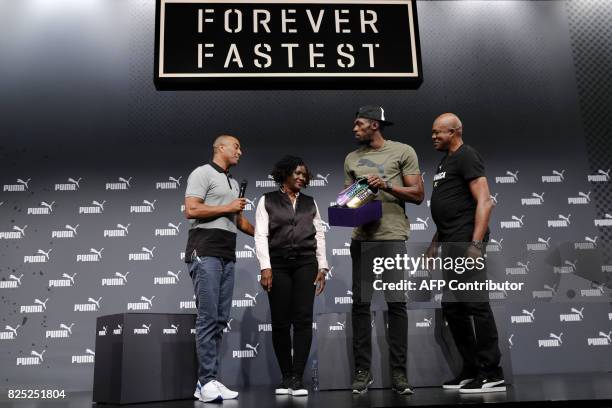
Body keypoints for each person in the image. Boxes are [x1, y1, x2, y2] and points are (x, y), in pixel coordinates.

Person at [344, 105, 424, 394]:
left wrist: (386, 185)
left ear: (375, 125)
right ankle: (363, 372)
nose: (354, 129)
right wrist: (355, 198)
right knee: (361, 306)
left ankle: (399, 374)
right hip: (361, 239)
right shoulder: (351, 158)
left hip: (391, 237)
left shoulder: (403, 151)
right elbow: (349, 203)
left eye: (359, 124)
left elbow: (417, 194)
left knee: (396, 304)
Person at [427, 113, 505, 393]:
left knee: (475, 304)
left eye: (439, 132)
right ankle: (472, 369)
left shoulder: (467, 155)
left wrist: (476, 243)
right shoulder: (445, 161)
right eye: (433, 132)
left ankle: (492, 371)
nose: (433, 136)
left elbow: (484, 201)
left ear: (455, 131)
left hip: (465, 241)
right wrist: (435, 243)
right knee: (453, 307)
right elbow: (449, 206)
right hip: (449, 241)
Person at [183, 134, 255, 402]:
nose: (240, 151)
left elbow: (238, 221)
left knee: (220, 319)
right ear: (221, 148)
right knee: (207, 317)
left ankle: (208, 380)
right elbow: (191, 210)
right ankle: (205, 382)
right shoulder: (202, 173)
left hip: (227, 254)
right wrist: (228, 206)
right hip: (205, 251)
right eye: (236, 146)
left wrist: (265, 236)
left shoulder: (233, 182)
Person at [254, 155, 328, 397]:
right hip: (278, 265)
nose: (300, 177)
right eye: (296, 173)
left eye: (303, 174)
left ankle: (297, 377)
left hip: (306, 264)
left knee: (304, 320)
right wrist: (265, 267)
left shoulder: (311, 202)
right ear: (284, 174)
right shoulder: (267, 200)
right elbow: (261, 236)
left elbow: (319, 236)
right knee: (281, 322)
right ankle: (285, 376)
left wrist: (323, 266)